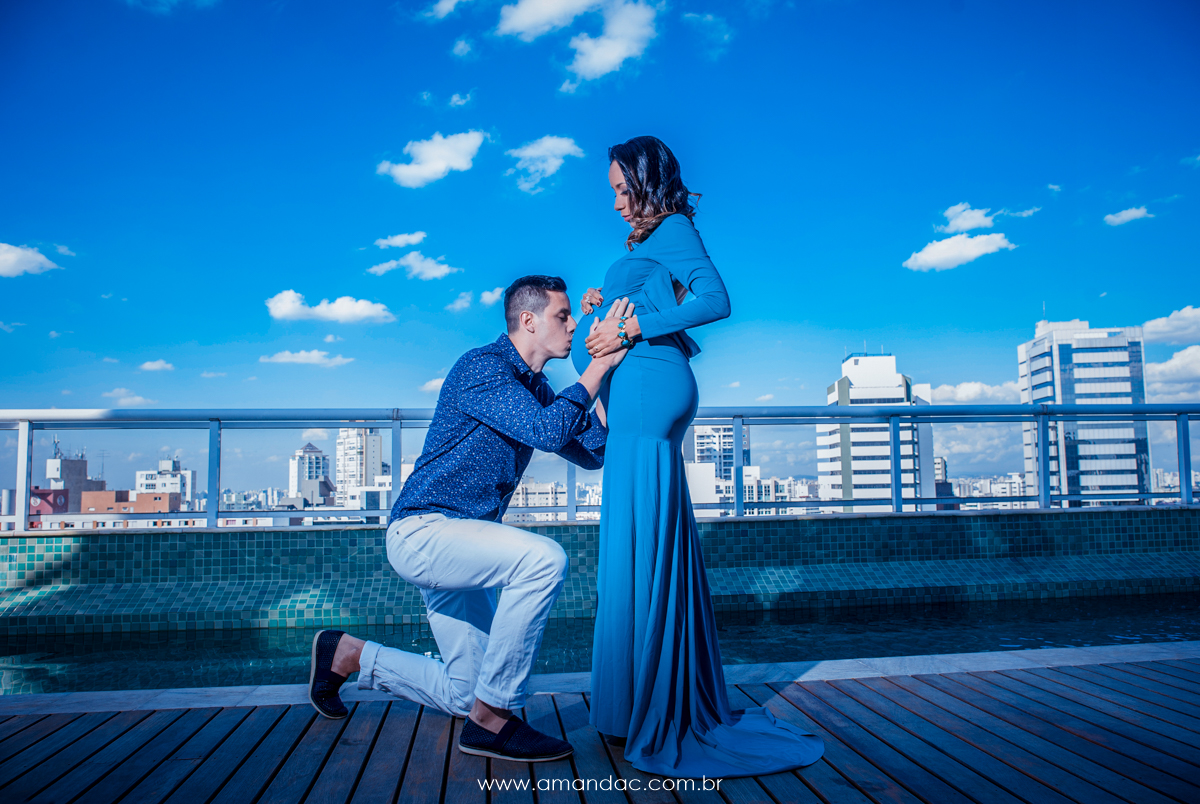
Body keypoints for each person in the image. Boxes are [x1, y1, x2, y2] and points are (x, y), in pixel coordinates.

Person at [574, 136, 825, 777]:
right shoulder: (650, 242)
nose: (616, 203)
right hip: (643, 389)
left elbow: (716, 300)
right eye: (612, 193)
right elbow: (659, 306)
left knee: (641, 541)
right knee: (640, 541)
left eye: (622, 190)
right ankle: (636, 702)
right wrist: (607, 307)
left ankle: (651, 707)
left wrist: (633, 326)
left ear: (646, 181)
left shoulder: (676, 228)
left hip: (649, 389)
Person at [307, 275, 632, 763]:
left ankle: (348, 654)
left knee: (464, 692)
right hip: (425, 531)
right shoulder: (484, 367)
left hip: (464, 543)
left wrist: (602, 369)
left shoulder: (536, 388)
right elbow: (546, 431)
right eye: (563, 317)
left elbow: (592, 452)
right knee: (543, 560)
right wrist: (598, 367)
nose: (572, 325)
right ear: (529, 320)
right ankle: (493, 718)